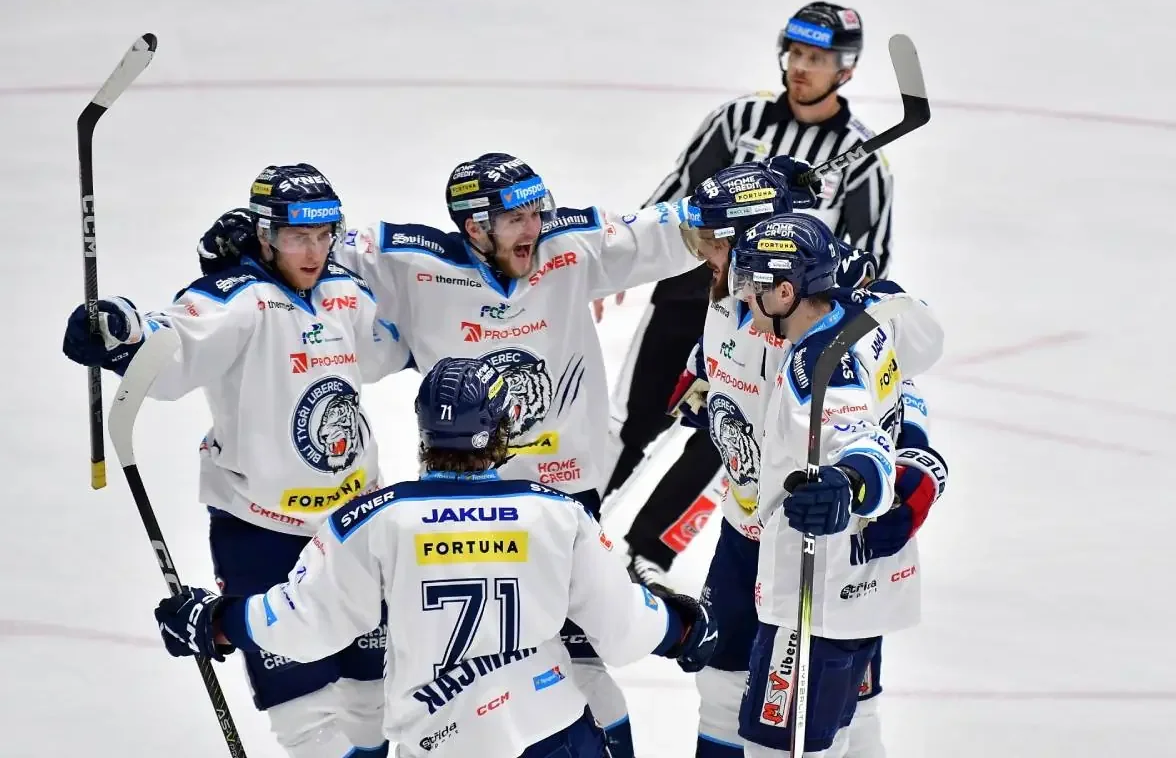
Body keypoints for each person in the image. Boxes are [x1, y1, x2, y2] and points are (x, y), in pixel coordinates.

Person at [194, 151, 706, 755]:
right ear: (474, 226)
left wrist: (218, 623)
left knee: (481, 691)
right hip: (521, 515)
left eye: (537, 213)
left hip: (506, 536)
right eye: (516, 219)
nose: (535, 229)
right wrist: (681, 627)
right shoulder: (415, 263)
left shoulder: (384, 520)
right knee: (562, 685)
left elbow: (676, 230)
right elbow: (309, 249)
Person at [152, 356, 719, 758]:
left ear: (425, 431)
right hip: (552, 732)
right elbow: (623, 627)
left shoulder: (372, 519)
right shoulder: (558, 513)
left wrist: (218, 623)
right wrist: (684, 627)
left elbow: (305, 626)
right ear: (501, 429)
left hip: (443, 742)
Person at [62, 164, 411, 758]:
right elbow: (175, 350)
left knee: (373, 706)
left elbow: (389, 348)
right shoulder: (238, 299)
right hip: (263, 534)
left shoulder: (345, 293)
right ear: (266, 234)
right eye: (299, 236)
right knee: (307, 719)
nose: (315, 250)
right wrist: (121, 330)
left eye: (325, 235)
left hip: (357, 528)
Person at [597, 0, 895, 591]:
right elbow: (675, 197)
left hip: (777, 319)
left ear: (847, 70)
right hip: (692, 294)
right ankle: (576, 523)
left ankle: (648, 554)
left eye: (818, 58)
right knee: (640, 421)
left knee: (728, 437)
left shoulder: (864, 163)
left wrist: (828, 265)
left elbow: (873, 262)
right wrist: (618, 264)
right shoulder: (740, 120)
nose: (802, 68)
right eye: (797, 54)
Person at [663, 164, 940, 758]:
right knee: (719, 681)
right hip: (745, 530)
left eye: (715, 240)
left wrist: (908, 475)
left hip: (818, 546)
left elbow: (900, 379)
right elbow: (724, 358)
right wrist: (705, 383)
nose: (704, 254)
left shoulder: (839, 310)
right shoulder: (732, 295)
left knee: (837, 711)